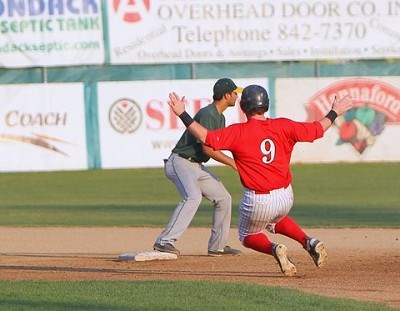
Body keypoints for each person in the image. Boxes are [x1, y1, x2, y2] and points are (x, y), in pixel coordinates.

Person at [166, 85, 353, 276]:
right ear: (266, 105)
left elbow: (206, 137)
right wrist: (335, 111)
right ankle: (309, 242)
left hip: (258, 200)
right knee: (274, 220)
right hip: (286, 196)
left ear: (244, 107)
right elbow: (317, 129)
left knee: (247, 236)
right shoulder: (284, 125)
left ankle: (274, 249)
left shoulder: (238, 132)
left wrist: (183, 114)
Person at [153, 78, 243, 256]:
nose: (236, 96)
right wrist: (233, 163)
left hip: (196, 166)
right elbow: (208, 149)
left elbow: (219, 145)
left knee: (224, 198)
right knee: (193, 197)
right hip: (180, 162)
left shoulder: (220, 116)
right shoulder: (209, 114)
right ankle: (164, 241)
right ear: (226, 95)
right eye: (234, 93)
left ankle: (217, 246)